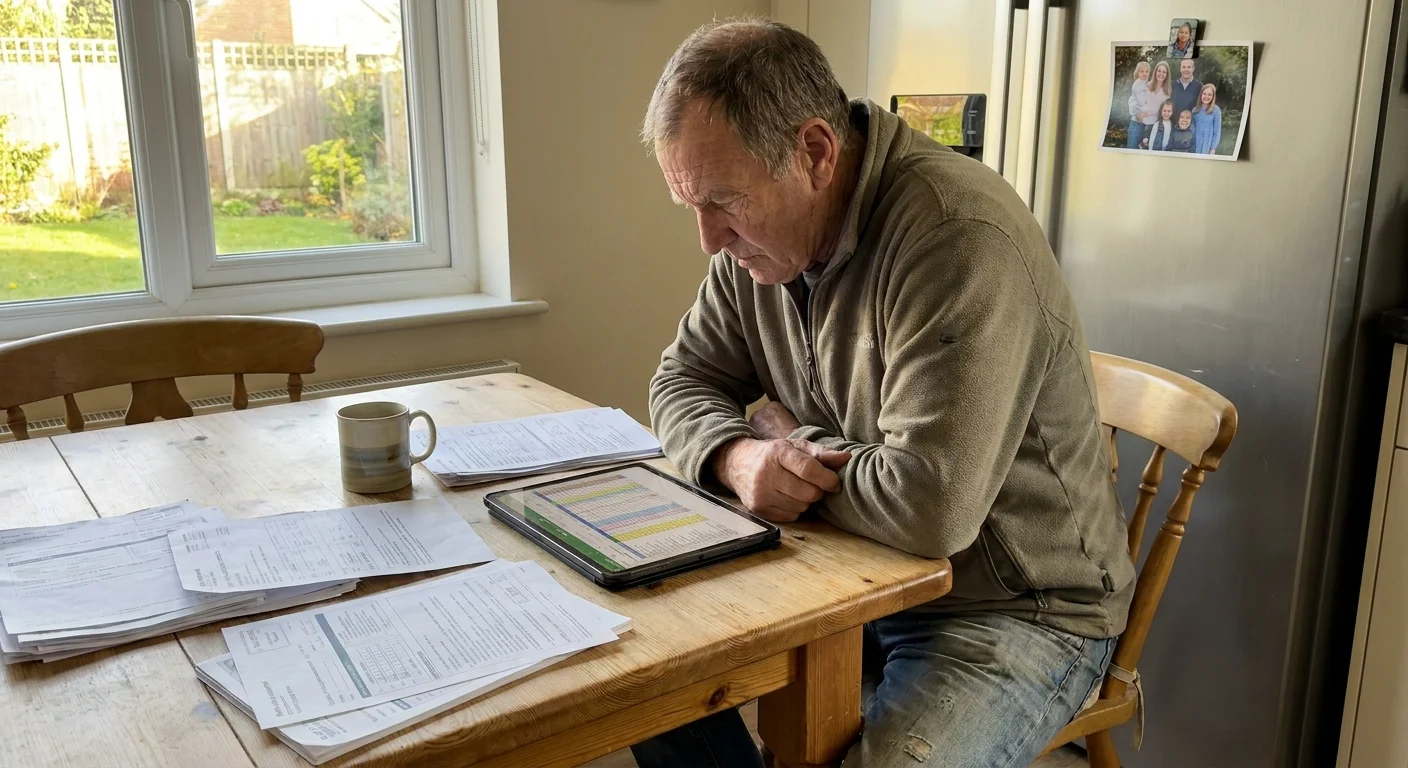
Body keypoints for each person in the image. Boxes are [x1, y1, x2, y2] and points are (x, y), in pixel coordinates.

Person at [634, 18, 1133, 768]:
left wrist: (790, 446)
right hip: (848, 565)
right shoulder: (758, 246)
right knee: (646, 679)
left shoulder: (956, 235)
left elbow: (930, 506)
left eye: (725, 202)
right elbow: (680, 380)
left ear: (815, 153)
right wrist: (741, 458)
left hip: (1011, 607)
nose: (708, 240)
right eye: (691, 207)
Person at [1130, 60, 1171, 150]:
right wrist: (1137, 113)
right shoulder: (1146, 85)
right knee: (1131, 151)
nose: (1161, 74)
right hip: (1137, 123)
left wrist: (1146, 113)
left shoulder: (1167, 92)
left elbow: (1160, 109)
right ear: (1155, 72)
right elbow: (1133, 100)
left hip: (1151, 127)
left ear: (1167, 75)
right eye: (1159, 71)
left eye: (1164, 72)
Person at [1124, 61, 1152, 149]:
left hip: (1146, 124)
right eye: (1142, 71)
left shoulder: (1147, 84)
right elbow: (1142, 102)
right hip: (1136, 123)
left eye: (1147, 71)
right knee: (1132, 147)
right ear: (1137, 73)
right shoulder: (1138, 84)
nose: (1144, 73)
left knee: (1143, 148)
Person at [1192, 82, 1222, 154]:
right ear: (1201, 95)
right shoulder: (1195, 110)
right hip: (1195, 145)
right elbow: (1192, 129)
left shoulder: (1216, 110)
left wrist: (1213, 148)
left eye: (1209, 94)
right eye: (1204, 94)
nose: (1206, 96)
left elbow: (1217, 131)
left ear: (1213, 97)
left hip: (1208, 146)